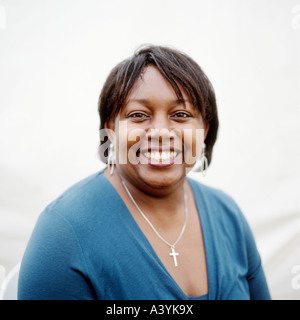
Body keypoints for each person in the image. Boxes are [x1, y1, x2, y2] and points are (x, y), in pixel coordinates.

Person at [18, 45, 271, 300]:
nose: (161, 131)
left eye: (181, 114)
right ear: (111, 131)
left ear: (204, 129)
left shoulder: (228, 215)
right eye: (138, 115)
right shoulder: (63, 233)